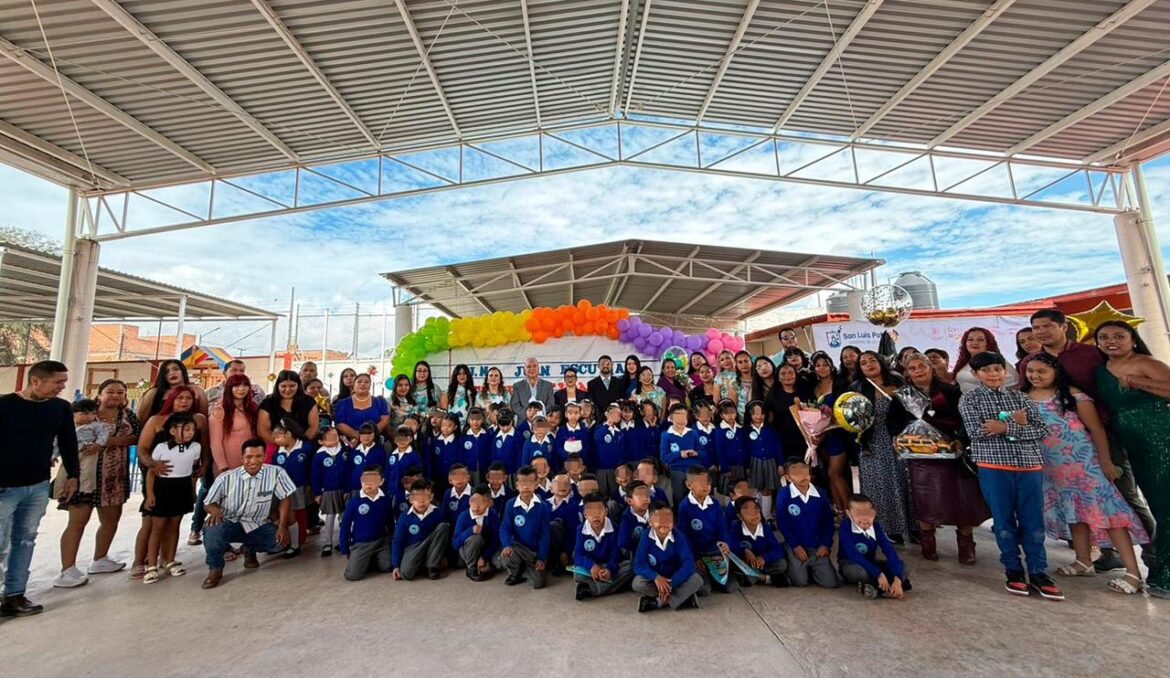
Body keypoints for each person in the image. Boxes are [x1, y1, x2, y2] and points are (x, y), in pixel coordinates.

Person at [1029, 310, 1156, 574]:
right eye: (1036, 327)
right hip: (1054, 454)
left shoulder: (1089, 355)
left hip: (1098, 437)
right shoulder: (1031, 362)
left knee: (1121, 498)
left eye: (1047, 325)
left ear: (1064, 327)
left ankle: (1155, 560)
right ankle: (1090, 557)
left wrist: (1107, 456)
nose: (1041, 331)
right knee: (1073, 505)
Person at [1022, 352, 1147, 594]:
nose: (1035, 376)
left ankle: (1133, 573)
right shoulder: (1024, 398)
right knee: (1074, 513)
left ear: (1056, 373)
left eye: (1041, 371)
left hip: (1084, 465)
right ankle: (1083, 560)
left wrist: (1106, 462)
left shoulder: (1073, 395)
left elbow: (1096, 429)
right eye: (1031, 371)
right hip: (1051, 467)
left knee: (1109, 514)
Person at [959, 351, 1064, 600]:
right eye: (986, 371)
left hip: (1029, 465)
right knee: (1004, 522)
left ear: (1005, 372)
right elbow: (976, 431)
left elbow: (1041, 429)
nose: (993, 374)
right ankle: (1013, 569)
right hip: (994, 466)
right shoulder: (970, 400)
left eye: (997, 369)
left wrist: (1003, 426)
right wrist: (1017, 425)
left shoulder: (1021, 398)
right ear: (976, 375)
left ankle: (1039, 571)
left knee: (1034, 522)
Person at [888, 353, 990, 564]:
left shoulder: (950, 391)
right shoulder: (902, 396)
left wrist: (960, 439)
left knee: (962, 500)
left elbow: (965, 418)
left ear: (931, 368)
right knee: (926, 501)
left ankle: (966, 545)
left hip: (953, 453)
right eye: (913, 368)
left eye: (922, 366)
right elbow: (894, 425)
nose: (918, 371)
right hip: (921, 456)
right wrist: (902, 438)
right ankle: (928, 544)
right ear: (907, 372)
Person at [1095, 320, 1170, 598]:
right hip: (1131, 443)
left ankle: (1165, 575)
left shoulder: (1145, 363)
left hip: (1160, 439)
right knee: (1155, 503)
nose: (1111, 341)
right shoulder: (1101, 370)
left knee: (1166, 506)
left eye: (1118, 336)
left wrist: (1138, 382)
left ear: (1133, 339)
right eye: (1103, 337)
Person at [0, 360, 78, 617]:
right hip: (4, 487)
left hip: (36, 485)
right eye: (58, 382)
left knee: (25, 539)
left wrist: (72, 476)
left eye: (64, 382)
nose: (62, 387)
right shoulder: (5, 405)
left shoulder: (60, 408)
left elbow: (68, 442)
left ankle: (14, 595)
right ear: (36, 381)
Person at [53, 381, 137, 588]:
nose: (115, 396)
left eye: (120, 392)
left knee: (111, 519)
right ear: (99, 395)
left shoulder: (128, 415)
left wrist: (109, 442)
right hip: (84, 475)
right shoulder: (84, 413)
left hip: (114, 475)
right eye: (110, 392)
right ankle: (67, 568)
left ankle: (100, 558)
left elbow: (136, 437)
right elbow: (65, 436)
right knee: (77, 522)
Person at [199, 439, 295, 589]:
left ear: (264, 457)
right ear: (241, 458)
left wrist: (282, 526)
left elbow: (285, 498)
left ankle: (249, 548)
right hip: (229, 522)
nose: (253, 461)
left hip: (257, 524)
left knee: (280, 543)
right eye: (249, 457)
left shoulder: (276, 473)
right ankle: (215, 569)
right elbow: (208, 503)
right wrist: (215, 511)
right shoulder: (226, 478)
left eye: (258, 456)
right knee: (212, 530)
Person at [137, 386, 210, 576]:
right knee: (153, 524)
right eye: (179, 398)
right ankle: (146, 562)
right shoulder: (156, 421)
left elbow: (203, 450)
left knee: (175, 523)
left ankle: (168, 559)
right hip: (160, 480)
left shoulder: (199, 421)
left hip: (183, 482)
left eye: (188, 398)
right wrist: (153, 465)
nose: (184, 401)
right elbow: (142, 449)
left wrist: (202, 469)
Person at [854, 350, 912, 544]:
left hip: (900, 439)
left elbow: (912, 410)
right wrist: (863, 441)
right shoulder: (858, 388)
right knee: (878, 485)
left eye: (872, 360)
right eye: (863, 362)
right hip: (871, 441)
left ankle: (912, 526)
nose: (869, 364)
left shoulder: (897, 382)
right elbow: (852, 420)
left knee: (904, 482)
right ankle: (887, 528)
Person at [141, 413, 200, 584]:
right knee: (157, 528)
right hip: (163, 488)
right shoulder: (161, 448)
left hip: (181, 488)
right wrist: (150, 494)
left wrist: (192, 490)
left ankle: (170, 560)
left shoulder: (196, 447)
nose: (190, 433)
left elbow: (192, 471)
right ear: (173, 431)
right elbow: (152, 473)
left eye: (192, 429)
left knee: (175, 525)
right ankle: (151, 565)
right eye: (186, 429)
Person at [776, 461, 839, 588]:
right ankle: (788, 555)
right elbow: (782, 522)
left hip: (816, 547)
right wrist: (795, 545)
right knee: (800, 582)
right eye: (797, 474)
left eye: (805, 473)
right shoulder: (784, 494)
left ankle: (809, 568)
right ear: (788, 478)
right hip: (796, 546)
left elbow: (828, 521)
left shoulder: (820, 493)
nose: (803, 477)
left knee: (831, 583)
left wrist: (825, 544)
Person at [632, 501, 702, 612]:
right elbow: (638, 565)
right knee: (637, 583)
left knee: (697, 580)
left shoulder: (679, 536)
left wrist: (671, 583)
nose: (664, 523)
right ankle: (682, 598)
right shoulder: (645, 536)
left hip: (675, 577)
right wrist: (656, 577)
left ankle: (659, 602)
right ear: (650, 522)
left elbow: (688, 563)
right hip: (657, 579)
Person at [838, 494, 911, 600]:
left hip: (871, 562)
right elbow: (854, 555)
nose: (864, 518)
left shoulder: (876, 527)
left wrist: (897, 579)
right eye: (858, 514)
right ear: (848, 514)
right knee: (861, 573)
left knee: (904, 567)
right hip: (851, 564)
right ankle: (883, 586)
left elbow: (889, 550)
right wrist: (878, 574)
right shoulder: (845, 527)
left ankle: (882, 587)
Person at [676, 465, 734, 595]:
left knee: (730, 587)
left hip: (714, 552)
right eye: (701, 483)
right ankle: (705, 575)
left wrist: (725, 543)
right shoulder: (684, 506)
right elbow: (684, 536)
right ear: (689, 485)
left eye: (708, 482)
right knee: (704, 590)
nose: (706, 486)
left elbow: (722, 528)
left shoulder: (714, 503)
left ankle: (713, 575)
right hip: (697, 555)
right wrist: (694, 558)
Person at [498, 465, 552, 589]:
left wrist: (542, 558)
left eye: (530, 482)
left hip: (534, 552)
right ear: (516, 485)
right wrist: (506, 545)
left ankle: (528, 565)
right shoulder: (511, 504)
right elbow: (505, 527)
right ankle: (515, 573)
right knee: (506, 556)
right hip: (517, 548)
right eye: (522, 483)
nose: (526, 486)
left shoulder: (542, 506)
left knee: (538, 584)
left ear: (536, 484)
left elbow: (545, 534)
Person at [573, 492, 633, 600]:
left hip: (608, 566)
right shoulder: (581, 529)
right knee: (578, 574)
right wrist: (591, 566)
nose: (596, 516)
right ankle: (619, 585)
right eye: (591, 512)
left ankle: (592, 590)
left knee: (630, 566)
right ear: (585, 514)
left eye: (599, 511)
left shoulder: (614, 528)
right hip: (592, 568)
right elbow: (578, 555)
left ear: (606, 511)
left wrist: (610, 569)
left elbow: (615, 555)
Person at [339, 466, 393, 581]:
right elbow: (345, 525)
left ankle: (371, 559)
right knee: (353, 576)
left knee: (388, 566)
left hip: (381, 541)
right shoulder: (354, 501)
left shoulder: (385, 498)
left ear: (381, 481)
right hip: (362, 543)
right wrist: (344, 548)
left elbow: (390, 520)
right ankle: (363, 559)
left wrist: (391, 539)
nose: (368, 484)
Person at [271, 422, 312, 558]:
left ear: (288, 434)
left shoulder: (306, 448)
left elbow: (311, 468)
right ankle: (287, 542)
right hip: (283, 490)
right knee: (287, 515)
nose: (276, 440)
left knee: (299, 514)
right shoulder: (278, 453)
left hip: (300, 487)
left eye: (278, 437)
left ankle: (297, 543)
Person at [730, 496, 787, 587]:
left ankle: (756, 576)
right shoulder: (736, 527)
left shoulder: (765, 528)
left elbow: (777, 550)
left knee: (782, 564)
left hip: (763, 564)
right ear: (740, 516)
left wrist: (764, 558)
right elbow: (731, 545)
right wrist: (744, 550)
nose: (754, 515)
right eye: (749, 513)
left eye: (756, 511)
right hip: (747, 564)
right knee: (737, 567)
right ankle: (766, 578)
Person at [210, 374, 260, 477]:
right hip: (227, 466)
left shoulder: (253, 407)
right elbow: (215, 443)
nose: (241, 389)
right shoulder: (220, 410)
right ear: (229, 388)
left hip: (251, 464)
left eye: (245, 385)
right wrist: (223, 468)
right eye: (236, 386)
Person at [311, 426, 349, 557]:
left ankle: (343, 540)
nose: (334, 439)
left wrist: (348, 488)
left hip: (344, 488)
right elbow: (315, 476)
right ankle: (328, 542)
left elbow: (350, 470)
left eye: (336, 436)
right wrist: (317, 493)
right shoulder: (319, 456)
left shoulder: (344, 451)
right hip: (328, 490)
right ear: (321, 441)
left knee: (344, 516)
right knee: (330, 516)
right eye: (330, 437)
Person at [258, 370, 320, 449]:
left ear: (298, 385)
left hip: (303, 447)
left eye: (292, 386)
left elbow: (313, 426)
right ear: (277, 386)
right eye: (283, 386)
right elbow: (262, 431)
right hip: (275, 448)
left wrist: (299, 446)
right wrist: (283, 445)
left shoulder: (309, 402)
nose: (287, 389)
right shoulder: (268, 403)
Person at [137, 359, 208, 422]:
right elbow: (141, 418)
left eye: (176, 369)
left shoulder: (198, 391)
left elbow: (204, 418)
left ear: (183, 371)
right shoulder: (154, 392)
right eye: (166, 371)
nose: (171, 373)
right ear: (163, 376)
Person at [454, 484, 499, 581]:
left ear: (489, 502)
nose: (475, 507)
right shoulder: (464, 516)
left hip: (484, 548)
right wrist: (470, 531)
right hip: (467, 549)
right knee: (476, 538)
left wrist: (484, 557)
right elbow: (455, 543)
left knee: (499, 563)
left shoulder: (493, 514)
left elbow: (496, 538)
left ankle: (483, 561)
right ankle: (471, 567)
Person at [745, 400, 782, 520]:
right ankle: (756, 516)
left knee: (767, 490)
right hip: (754, 463)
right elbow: (744, 450)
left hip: (770, 462)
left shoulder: (770, 430)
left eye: (761, 414)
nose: (758, 417)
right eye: (755, 414)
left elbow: (778, 447)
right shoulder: (745, 431)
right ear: (750, 415)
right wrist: (746, 466)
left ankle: (767, 517)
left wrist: (780, 464)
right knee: (754, 489)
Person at [954, 327, 1018, 392]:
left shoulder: (996, 360)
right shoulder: (965, 361)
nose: (975, 342)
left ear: (988, 343)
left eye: (980, 340)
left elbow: (1014, 381)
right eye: (970, 339)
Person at [333, 373, 390, 443]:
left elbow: (385, 420)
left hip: (377, 441)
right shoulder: (343, 403)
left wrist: (370, 436)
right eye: (359, 381)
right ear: (354, 385)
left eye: (366, 382)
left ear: (370, 386)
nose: (363, 384)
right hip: (351, 443)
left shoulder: (379, 401)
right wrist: (359, 437)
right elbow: (340, 424)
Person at [715, 399, 747, 496]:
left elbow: (745, 447)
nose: (730, 415)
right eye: (726, 413)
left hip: (741, 466)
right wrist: (725, 468)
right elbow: (720, 450)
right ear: (721, 415)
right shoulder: (719, 431)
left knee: (741, 491)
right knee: (729, 493)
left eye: (732, 412)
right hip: (728, 467)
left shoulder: (740, 429)